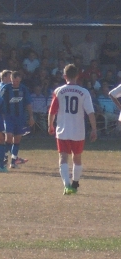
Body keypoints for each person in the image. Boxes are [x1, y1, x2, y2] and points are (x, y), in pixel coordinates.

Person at [48, 64, 97, 195]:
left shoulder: (59, 91)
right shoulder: (84, 92)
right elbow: (90, 112)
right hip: (78, 131)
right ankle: (75, 183)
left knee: (63, 157)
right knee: (77, 158)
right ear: (77, 76)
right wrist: (94, 129)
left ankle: (66, 185)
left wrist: (50, 125)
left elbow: (52, 111)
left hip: (63, 129)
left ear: (64, 76)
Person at [0, 71, 34, 168]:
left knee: (17, 139)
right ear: (10, 79)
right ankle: (5, 157)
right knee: (9, 136)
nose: (15, 83)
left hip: (20, 117)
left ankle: (13, 161)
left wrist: (31, 116)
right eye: (13, 81)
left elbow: (28, 103)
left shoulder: (23, 89)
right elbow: (0, 102)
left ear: (20, 80)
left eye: (17, 81)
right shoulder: (6, 89)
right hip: (8, 117)